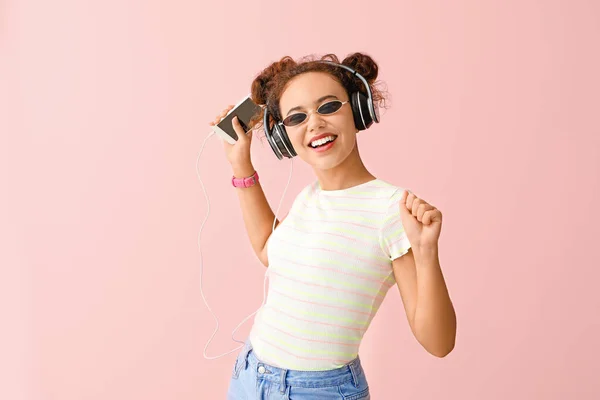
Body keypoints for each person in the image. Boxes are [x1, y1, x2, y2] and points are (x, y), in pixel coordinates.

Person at [209, 52, 457, 400]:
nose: (314, 123)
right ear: (284, 138)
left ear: (358, 111)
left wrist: (427, 252)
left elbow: (439, 342)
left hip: (320, 392)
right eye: (297, 117)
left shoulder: (392, 209)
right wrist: (241, 167)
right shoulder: (308, 198)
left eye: (327, 107)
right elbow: (269, 249)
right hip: (250, 377)